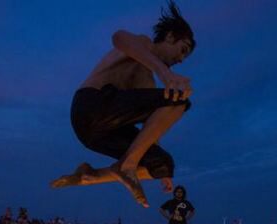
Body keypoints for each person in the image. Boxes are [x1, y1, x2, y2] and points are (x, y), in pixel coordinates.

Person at [50, 1, 195, 208]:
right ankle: (127, 166)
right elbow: (118, 38)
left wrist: (159, 169)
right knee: (179, 99)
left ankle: (89, 176)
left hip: (95, 135)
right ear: (170, 37)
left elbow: (152, 128)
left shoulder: (147, 81)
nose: (181, 59)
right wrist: (166, 75)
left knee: (164, 164)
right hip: (91, 105)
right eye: (182, 50)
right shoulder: (143, 45)